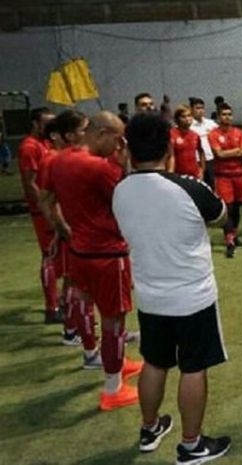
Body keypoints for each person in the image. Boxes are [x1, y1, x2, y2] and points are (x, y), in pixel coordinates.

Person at [113, 112, 231, 465]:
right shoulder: (188, 187)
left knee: (156, 361)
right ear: (168, 147)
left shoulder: (120, 190)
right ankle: (192, 445)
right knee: (193, 367)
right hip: (191, 297)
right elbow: (222, 216)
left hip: (150, 296)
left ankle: (150, 428)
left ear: (129, 149)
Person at [40, 111, 143, 411]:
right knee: (114, 319)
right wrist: (123, 165)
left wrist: (64, 231)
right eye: (118, 139)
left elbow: (46, 199)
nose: (120, 145)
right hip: (108, 253)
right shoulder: (99, 168)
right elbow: (125, 202)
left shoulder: (56, 160)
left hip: (80, 250)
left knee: (83, 301)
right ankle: (113, 388)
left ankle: (111, 361)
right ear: (102, 134)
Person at [37, 112, 95, 348]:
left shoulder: (73, 158)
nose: (88, 133)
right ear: (66, 135)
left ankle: (75, 328)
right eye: (84, 129)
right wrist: (61, 229)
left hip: (78, 230)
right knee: (75, 282)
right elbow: (46, 199)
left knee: (76, 281)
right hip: (71, 232)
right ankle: (73, 331)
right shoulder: (52, 160)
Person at [18, 107, 65, 324]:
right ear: (36, 124)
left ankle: (61, 301)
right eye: (47, 123)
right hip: (42, 211)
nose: (52, 126)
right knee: (50, 255)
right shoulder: (29, 147)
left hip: (54, 206)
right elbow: (30, 183)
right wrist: (46, 211)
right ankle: (51, 308)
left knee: (61, 256)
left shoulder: (47, 144)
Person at [207, 103, 242, 258]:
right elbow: (219, 155)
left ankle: (235, 236)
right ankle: (229, 241)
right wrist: (236, 151)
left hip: (239, 175)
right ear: (218, 117)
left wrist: (229, 152)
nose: (227, 117)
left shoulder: (240, 133)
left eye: (229, 114)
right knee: (228, 208)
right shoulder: (213, 134)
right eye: (224, 114)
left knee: (237, 207)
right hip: (223, 176)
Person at [168, 105, 206, 179]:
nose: (187, 119)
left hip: (194, 175)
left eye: (189, 116)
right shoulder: (171, 134)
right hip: (177, 175)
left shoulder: (195, 135)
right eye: (183, 116)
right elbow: (169, 156)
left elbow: (201, 152)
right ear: (177, 119)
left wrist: (202, 170)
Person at [189, 97, 218, 189]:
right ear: (191, 109)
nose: (200, 111)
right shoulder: (187, 125)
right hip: (195, 161)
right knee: (198, 186)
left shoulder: (211, 124)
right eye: (197, 108)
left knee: (213, 186)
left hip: (210, 160)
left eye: (202, 108)